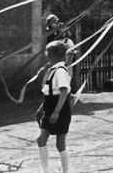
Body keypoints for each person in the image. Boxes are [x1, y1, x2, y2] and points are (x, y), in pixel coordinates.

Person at [36, 41, 72, 173]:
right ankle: (45, 171)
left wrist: (56, 112)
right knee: (41, 139)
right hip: (50, 106)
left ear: (50, 54)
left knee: (60, 144)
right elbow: (49, 93)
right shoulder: (52, 70)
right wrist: (41, 109)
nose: (46, 55)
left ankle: (65, 171)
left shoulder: (60, 71)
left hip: (60, 109)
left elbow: (63, 91)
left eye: (47, 53)